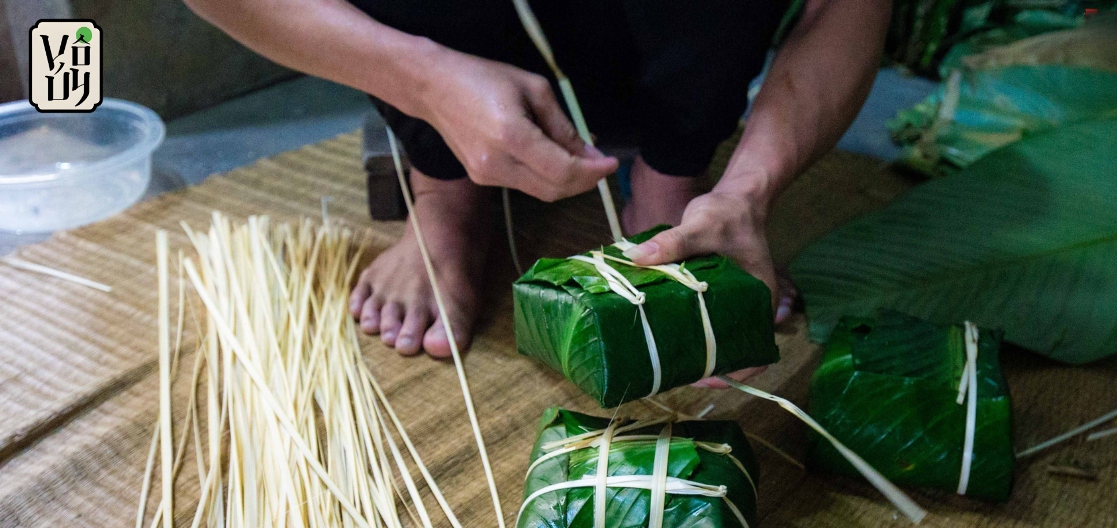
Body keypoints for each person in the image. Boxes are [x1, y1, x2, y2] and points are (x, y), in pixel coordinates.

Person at [184, 0, 890, 382]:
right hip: (447, 40)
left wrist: (752, 187)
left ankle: (674, 181)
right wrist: (423, 80)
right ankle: (445, 188)